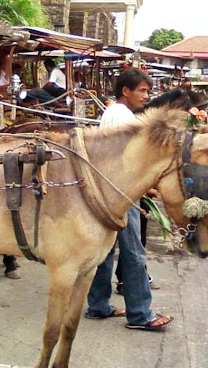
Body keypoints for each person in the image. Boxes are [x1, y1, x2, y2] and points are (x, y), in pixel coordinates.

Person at [84, 67, 174, 331]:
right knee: (134, 253)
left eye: (148, 91)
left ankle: (98, 305)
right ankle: (140, 314)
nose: (146, 96)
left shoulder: (114, 112)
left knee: (106, 253)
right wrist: (143, 185)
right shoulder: (123, 115)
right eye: (142, 91)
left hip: (110, 192)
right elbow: (127, 159)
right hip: (122, 195)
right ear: (126, 90)